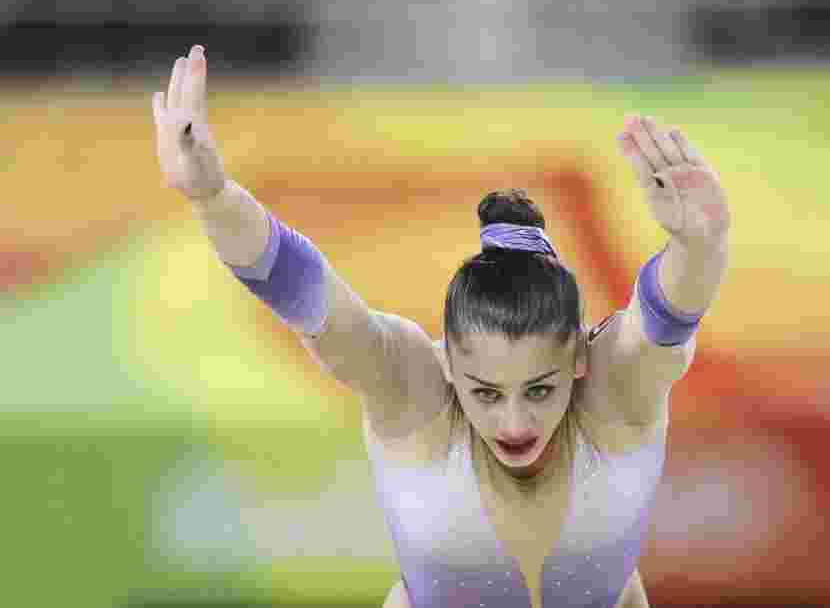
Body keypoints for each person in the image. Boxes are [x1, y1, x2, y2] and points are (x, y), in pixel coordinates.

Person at [152, 45, 731, 608]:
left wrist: (700, 244)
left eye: (539, 389)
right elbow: (303, 289)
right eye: (485, 392)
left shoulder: (613, 394)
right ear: (448, 364)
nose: (514, 422)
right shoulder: (413, 396)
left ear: (579, 357)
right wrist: (213, 196)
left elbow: (666, 316)